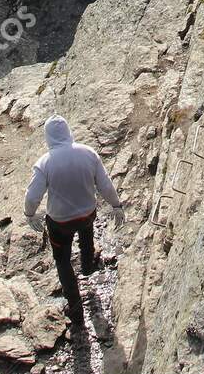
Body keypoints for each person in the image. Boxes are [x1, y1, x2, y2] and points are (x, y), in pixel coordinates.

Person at [24, 116, 127, 331]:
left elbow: (33, 196)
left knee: (62, 260)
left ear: (48, 137)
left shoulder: (45, 163)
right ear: (69, 132)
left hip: (60, 220)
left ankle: (75, 306)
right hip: (87, 212)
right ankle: (88, 266)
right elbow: (105, 185)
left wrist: (30, 214)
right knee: (86, 233)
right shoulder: (88, 153)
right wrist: (116, 205)